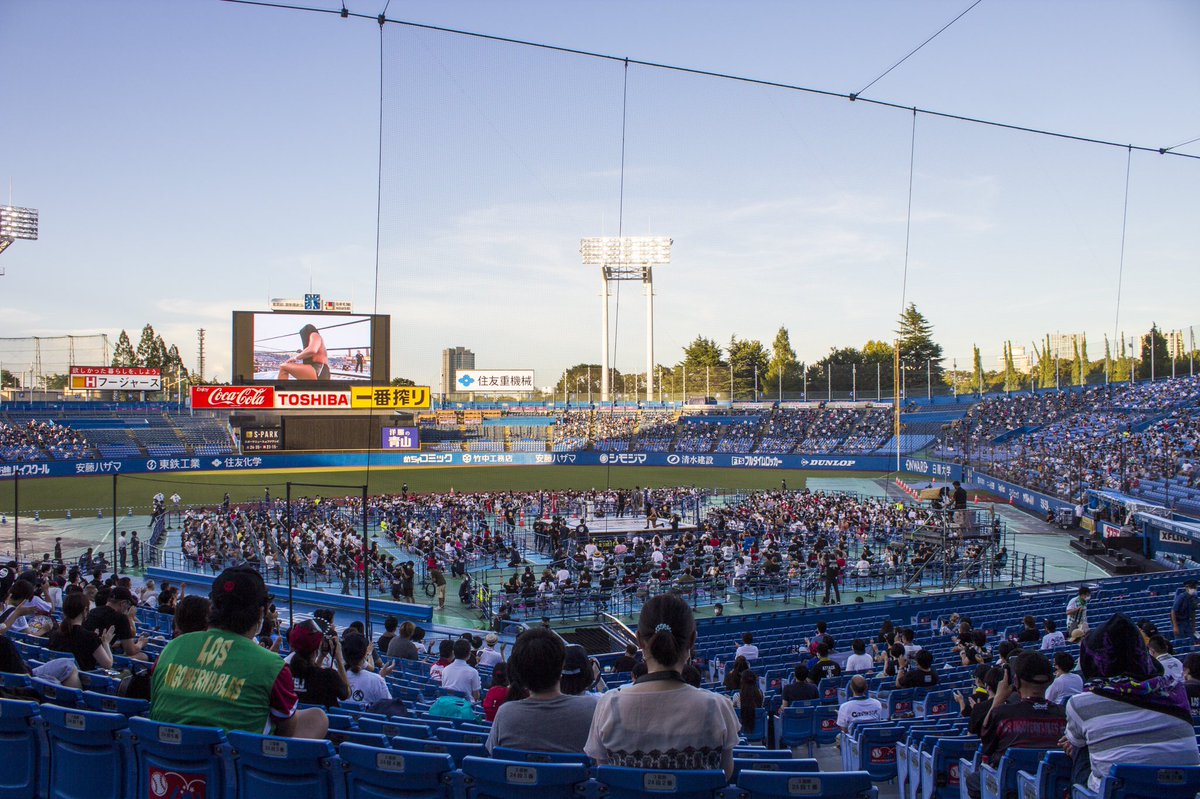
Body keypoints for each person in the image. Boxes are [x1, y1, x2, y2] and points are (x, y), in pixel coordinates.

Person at [151, 566, 328, 737]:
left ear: (212, 607)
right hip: (237, 755)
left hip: (163, 753)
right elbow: (286, 732)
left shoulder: (171, 648)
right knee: (317, 718)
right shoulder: (272, 666)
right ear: (261, 612)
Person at [585, 594, 741, 777]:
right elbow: (725, 774)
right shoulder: (718, 706)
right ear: (692, 640)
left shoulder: (608, 705)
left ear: (639, 640)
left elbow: (604, 773)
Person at [1063, 613, 1200, 792]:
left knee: (1080, 747)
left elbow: (1073, 744)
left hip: (1117, 792)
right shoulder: (1175, 691)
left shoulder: (1080, 704)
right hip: (1180, 792)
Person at [966, 651, 1066, 799]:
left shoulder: (1002, 714)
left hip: (1009, 789)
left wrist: (998, 699)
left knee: (973, 780)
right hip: (1053, 789)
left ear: (1016, 681)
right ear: (1050, 680)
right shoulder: (1064, 714)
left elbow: (986, 746)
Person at [485, 627, 598, 754]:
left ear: (519, 671)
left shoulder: (505, 713)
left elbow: (491, 754)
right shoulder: (592, 708)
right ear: (562, 665)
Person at [288, 619, 351, 708]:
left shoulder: (285, 672)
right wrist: (339, 660)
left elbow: (311, 675)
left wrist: (321, 657)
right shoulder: (328, 676)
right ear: (317, 647)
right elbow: (346, 694)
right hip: (323, 716)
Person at [48, 593, 114, 671]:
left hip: (60, 675)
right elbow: (108, 665)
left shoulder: (55, 634)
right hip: (84, 677)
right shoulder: (90, 637)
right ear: (85, 610)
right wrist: (105, 643)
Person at [82, 586, 150, 660]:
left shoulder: (93, 611)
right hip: (99, 659)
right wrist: (141, 643)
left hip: (84, 654)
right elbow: (131, 651)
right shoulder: (121, 618)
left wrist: (118, 644)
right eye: (128, 605)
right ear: (123, 603)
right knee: (143, 656)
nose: (127, 608)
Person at [341, 632, 394, 708]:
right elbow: (389, 707)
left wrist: (380, 677)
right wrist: (380, 678)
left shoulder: (335, 677)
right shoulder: (376, 680)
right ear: (364, 654)